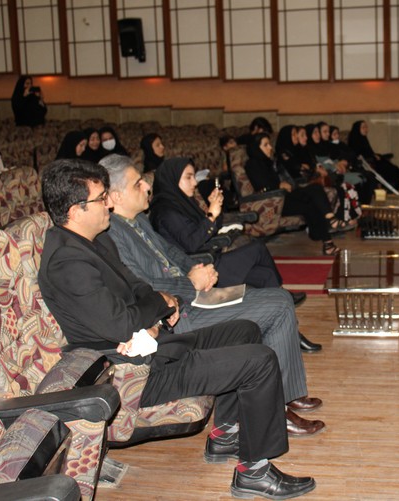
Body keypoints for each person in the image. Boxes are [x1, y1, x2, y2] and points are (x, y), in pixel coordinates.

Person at [37, 159, 317, 500]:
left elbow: (138, 287)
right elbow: (121, 323)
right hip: (132, 374)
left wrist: (157, 308)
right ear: (75, 210)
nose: (108, 204)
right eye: (100, 198)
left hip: (157, 348)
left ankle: (225, 435)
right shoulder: (67, 262)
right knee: (259, 361)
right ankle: (254, 473)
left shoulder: (94, 241)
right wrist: (159, 308)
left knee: (244, 331)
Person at [98, 155, 325, 421]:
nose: (147, 186)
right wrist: (191, 283)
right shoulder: (111, 235)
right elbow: (142, 287)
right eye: (138, 184)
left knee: (277, 297)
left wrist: (200, 270)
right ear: (115, 196)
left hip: (194, 297)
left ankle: (286, 396)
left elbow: (173, 253)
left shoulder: (138, 220)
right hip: (178, 316)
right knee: (278, 304)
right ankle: (279, 407)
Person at [148, 157, 287, 290]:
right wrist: (211, 215)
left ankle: (282, 295)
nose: (195, 182)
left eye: (194, 177)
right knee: (258, 248)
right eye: (188, 177)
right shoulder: (165, 211)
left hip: (207, 257)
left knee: (266, 275)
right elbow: (192, 243)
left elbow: (208, 229)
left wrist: (214, 208)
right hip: (196, 270)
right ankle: (282, 293)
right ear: (172, 179)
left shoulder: (179, 203)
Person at [246, 134, 342, 255]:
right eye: (266, 145)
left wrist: (282, 183)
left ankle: (328, 238)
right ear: (256, 148)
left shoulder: (268, 162)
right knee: (313, 195)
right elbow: (261, 184)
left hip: (283, 196)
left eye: (269, 144)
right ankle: (329, 223)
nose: (270, 147)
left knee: (314, 194)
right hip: (273, 203)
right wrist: (278, 185)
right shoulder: (252, 164)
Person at [347, 120, 399, 191]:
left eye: (366, 127)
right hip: (366, 163)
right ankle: (388, 187)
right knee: (388, 168)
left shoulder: (363, 138)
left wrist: (375, 155)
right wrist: (373, 156)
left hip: (372, 159)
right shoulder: (354, 140)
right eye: (363, 127)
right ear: (357, 129)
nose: (366, 129)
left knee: (393, 168)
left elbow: (369, 152)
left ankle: (392, 186)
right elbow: (359, 154)